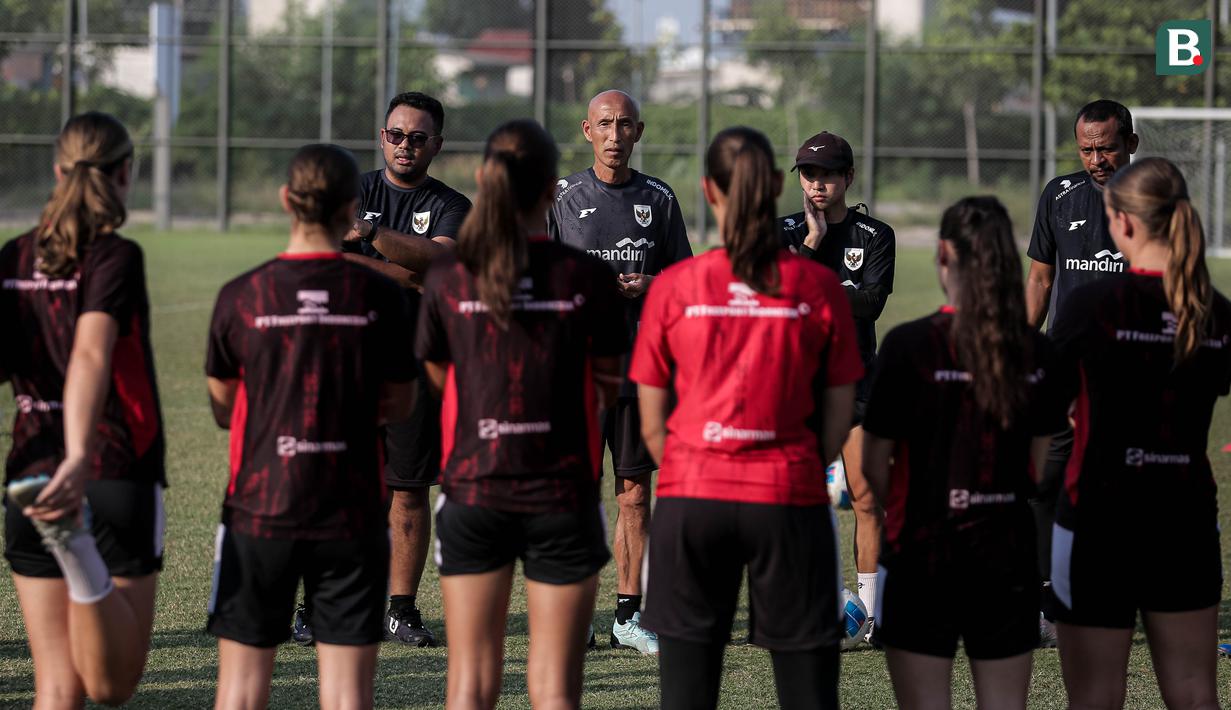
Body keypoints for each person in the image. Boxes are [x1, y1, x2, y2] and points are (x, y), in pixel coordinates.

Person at [631, 126, 863, 710]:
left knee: (686, 695)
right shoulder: (818, 286)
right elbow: (838, 414)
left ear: (709, 190)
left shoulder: (674, 287)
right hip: (789, 501)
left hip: (692, 502)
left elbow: (651, 418)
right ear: (775, 189)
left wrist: (694, 464)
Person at [416, 119, 626, 709]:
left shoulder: (450, 275)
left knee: (470, 682)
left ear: (485, 179)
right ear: (549, 190)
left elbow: (439, 377)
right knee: (556, 684)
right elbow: (606, 386)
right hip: (562, 493)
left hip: (475, 487)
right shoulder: (589, 278)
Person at [204, 144, 415, 709]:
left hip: (258, 507)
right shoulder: (382, 297)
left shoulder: (240, 295)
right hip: (351, 509)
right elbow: (400, 403)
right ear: (352, 209)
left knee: (241, 690)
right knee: (347, 693)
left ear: (285, 200)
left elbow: (223, 407)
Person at [861, 196, 1069, 710]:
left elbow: (871, 466)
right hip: (1006, 555)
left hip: (919, 556)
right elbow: (1041, 465)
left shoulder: (907, 345)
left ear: (942, 257)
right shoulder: (1038, 352)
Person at [1050, 157, 1229, 709]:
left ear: (1122, 223)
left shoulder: (1090, 304)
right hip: (1186, 518)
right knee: (1196, 693)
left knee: (1097, 696)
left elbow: (1043, 407)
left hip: (1098, 517)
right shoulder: (1214, 312)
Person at [0, 111, 164, 707]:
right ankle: (76, 548)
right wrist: (78, 456)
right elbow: (92, 352)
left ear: (56, 170)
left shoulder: (15, 256)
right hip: (108, 470)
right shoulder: (114, 256)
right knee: (111, 685)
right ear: (125, 173)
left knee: (56, 690)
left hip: (29, 478)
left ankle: (72, 545)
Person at [310, 91, 471, 648]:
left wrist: (373, 238)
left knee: (408, 489)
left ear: (437, 145)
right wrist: (405, 269)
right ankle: (321, 603)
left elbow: (444, 264)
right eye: (396, 135)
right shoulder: (349, 190)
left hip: (413, 365)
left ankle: (400, 609)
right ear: (382, 137)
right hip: (344, 362)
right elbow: (320, 260)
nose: (406, 146)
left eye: (418, 137)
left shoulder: (453, 205)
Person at [548, 89, 692, 653]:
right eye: (605, 124)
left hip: (638, 370)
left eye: (625, 125)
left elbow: (683, 282)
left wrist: (651, 284)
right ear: (587, 129)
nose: (614, 134)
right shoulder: (561, 197)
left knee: (634, 492)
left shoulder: (659, 198)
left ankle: (628, 615)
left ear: (639, 132)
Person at [1024, 99, 1139, 644]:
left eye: (1107, 147)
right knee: (1042, 478)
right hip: (1063, 370)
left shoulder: (1156, 199)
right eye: (1087, 148)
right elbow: (1041, 279)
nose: (1096, 158)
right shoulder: (1059, 194)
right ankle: (1048, 599)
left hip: (1126, 370)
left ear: (1131, 144)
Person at [779, 131, 896, 630]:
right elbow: (779, 298)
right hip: (797, 385)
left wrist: (813, 286)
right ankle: (807, 598)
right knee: (795, 502)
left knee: (868, 497)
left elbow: (871, 303)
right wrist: (810, 244)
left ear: (848, 177)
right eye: (809, 175)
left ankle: (872, 610)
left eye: (828, 174)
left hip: (858, 382)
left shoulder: (876, 235)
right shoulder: (782, 231)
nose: (818, 184)